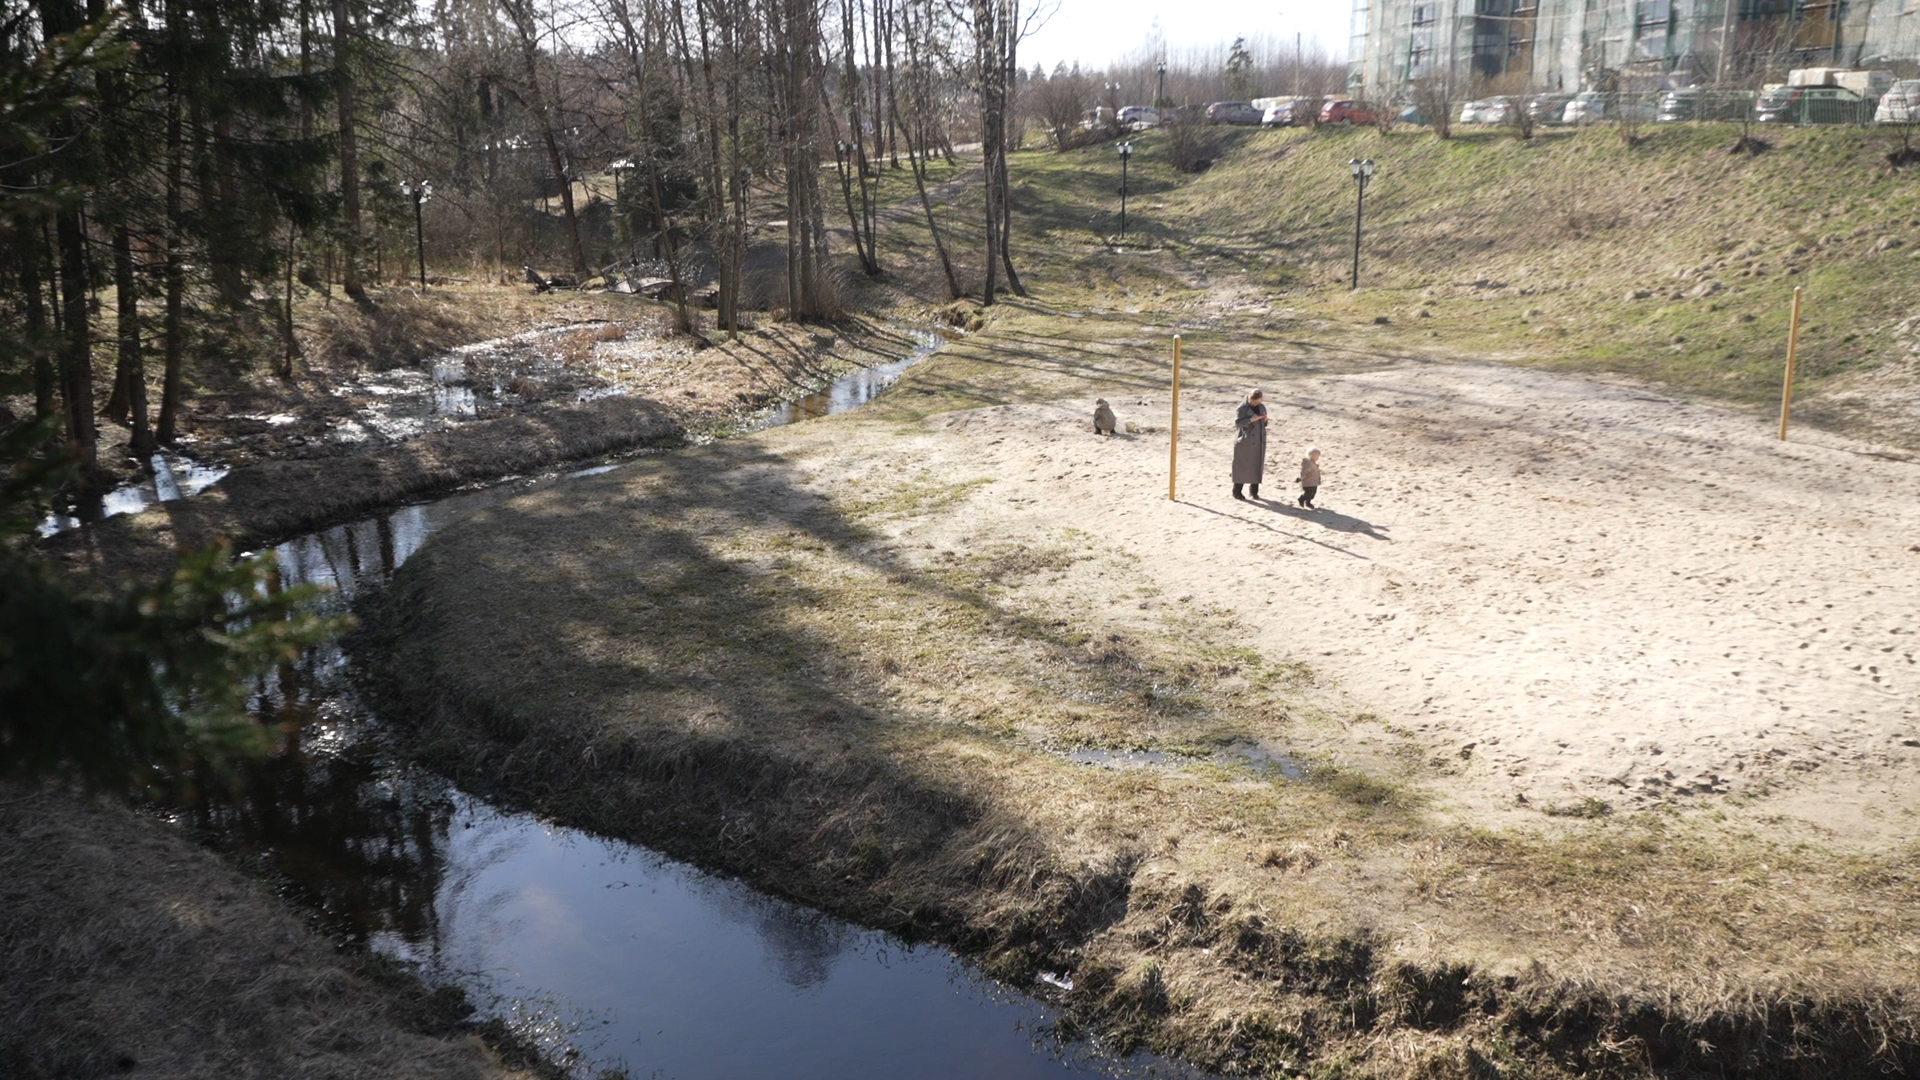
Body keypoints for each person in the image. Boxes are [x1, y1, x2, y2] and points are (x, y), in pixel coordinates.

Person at [1231, 390, 1269, 501]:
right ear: (1250, 399)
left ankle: (1254, 492)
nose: (1257, 404)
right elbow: (1238, 423)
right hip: (1245, 441)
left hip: (1258, 440)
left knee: (1256, 466)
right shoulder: (1241, 408)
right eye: (1255, 402)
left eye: (1258, 401)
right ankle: (1237, 492)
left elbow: (1264, 424)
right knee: (1242, 467)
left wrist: (1265, 420)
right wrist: (1251, 420)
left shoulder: (1262, 407)